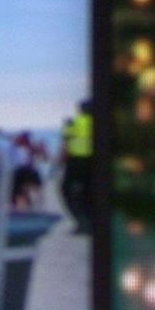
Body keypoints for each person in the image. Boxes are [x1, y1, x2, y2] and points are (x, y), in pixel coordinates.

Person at [58, 99, 95, 233]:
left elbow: (66, 144)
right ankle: (90, 222)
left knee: (67, 190)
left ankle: (82, 222)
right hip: (92, 163)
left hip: (76, 161)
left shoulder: (74, 123)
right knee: (88, 193)